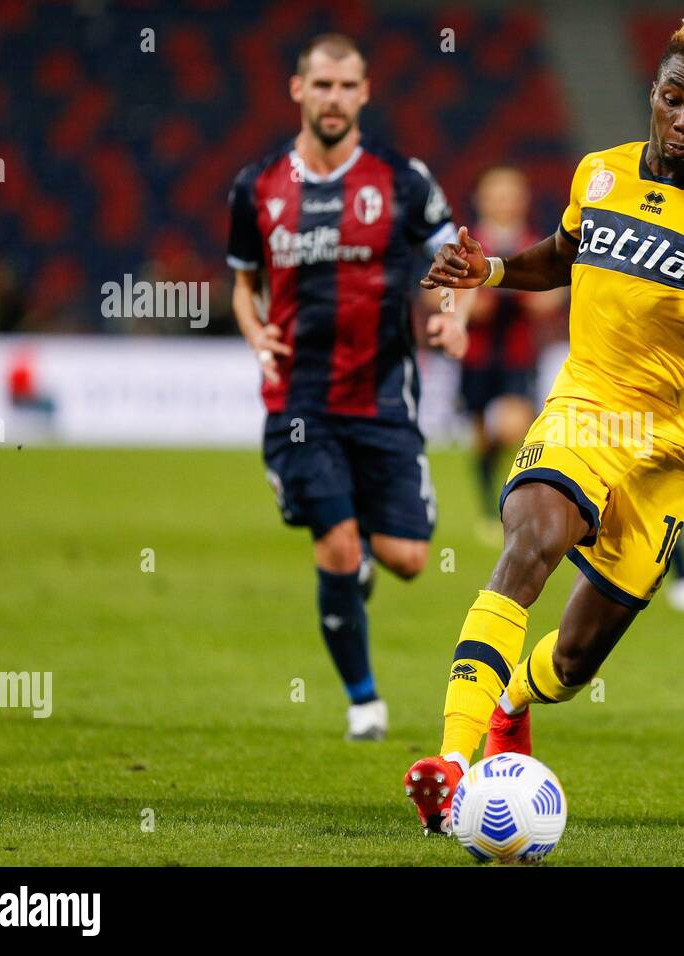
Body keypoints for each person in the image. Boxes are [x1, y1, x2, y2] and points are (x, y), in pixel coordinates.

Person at [403, 18, 684, 834]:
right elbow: (566, 251)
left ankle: (515, 699)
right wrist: (496, 271)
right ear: (653, 96)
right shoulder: (599, 172)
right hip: (587, 402)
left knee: (576, 660)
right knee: (530, 542)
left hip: (676, 443)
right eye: (674, 100)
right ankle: (452, 763)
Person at [226, 33, 469, 741]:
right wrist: (252, 330)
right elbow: (245, 284)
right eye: (321, 85)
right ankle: (364, 700)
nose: (333, 98)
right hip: (299, 401)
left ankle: (362, 550)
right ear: (297, 90)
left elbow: (458, 258)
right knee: (333, 544)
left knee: (409, 560)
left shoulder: (402, 178)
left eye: (346, 86)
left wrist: (452, 316)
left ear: (364, 93)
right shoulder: (258, 185)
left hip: (384, 395)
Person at [458, 166, 564, 539]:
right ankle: (488, 502)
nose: (504, 202)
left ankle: (510, 504)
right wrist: (467, 302)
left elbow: (553, 297)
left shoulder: (536, 245)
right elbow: (440, 297)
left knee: (513, 427)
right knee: (483, 437)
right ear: (481, 200)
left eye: (511, 194)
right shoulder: (467, 246)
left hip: (518, 357)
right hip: (475, 358)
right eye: (496, 194)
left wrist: (519, 285)